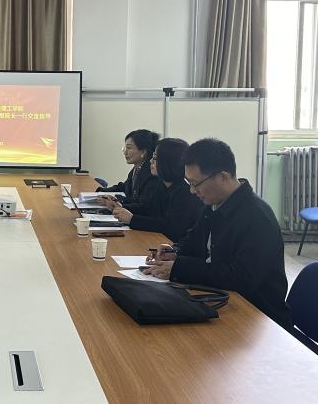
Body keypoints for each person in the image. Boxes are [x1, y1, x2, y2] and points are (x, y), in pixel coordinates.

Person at [144, 138, 291, 328]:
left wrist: (179, 268)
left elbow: (241, 278)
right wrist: (175, 251)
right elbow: (194, 239)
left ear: (222, 176)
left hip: (257, 317)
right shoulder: (214, 204)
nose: (192, 191)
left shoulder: (257, 217)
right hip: (221, 299)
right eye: (189, 183)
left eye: (196, 183)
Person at [111, 138, 202, 243]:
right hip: (156, 241)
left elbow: (170, 227)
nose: (150, 161)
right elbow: (147, 208)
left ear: (167, 162)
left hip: (171, 245)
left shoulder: (185, 193)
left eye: (154, 158)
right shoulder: (162, 185)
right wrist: (120, 207)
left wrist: (132, 219)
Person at [97, 129, 162, 212]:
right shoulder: (137, 168)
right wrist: (102, 192)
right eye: (125, 148)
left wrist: (117, 203)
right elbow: (124, 187)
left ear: (143, 151)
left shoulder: (151, 173)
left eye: (129, 148)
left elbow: (144, 204)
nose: (125, 152)